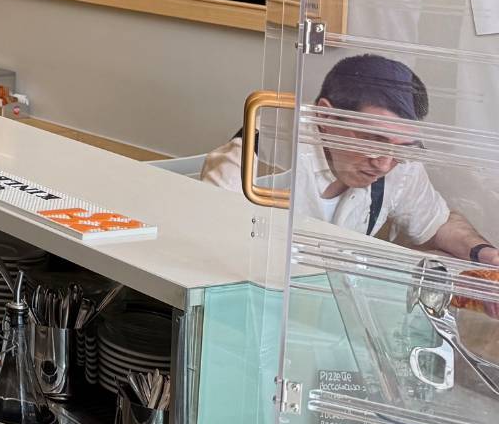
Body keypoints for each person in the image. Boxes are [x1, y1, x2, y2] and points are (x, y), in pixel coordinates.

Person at [202, 53, 499, 265]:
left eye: (401, 148)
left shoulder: (398, 160)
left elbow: (437, 224)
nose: (384, 164)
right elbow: (209, 253)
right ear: (326, 117)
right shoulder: (252, 164)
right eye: (373, 140)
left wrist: (483, 254)